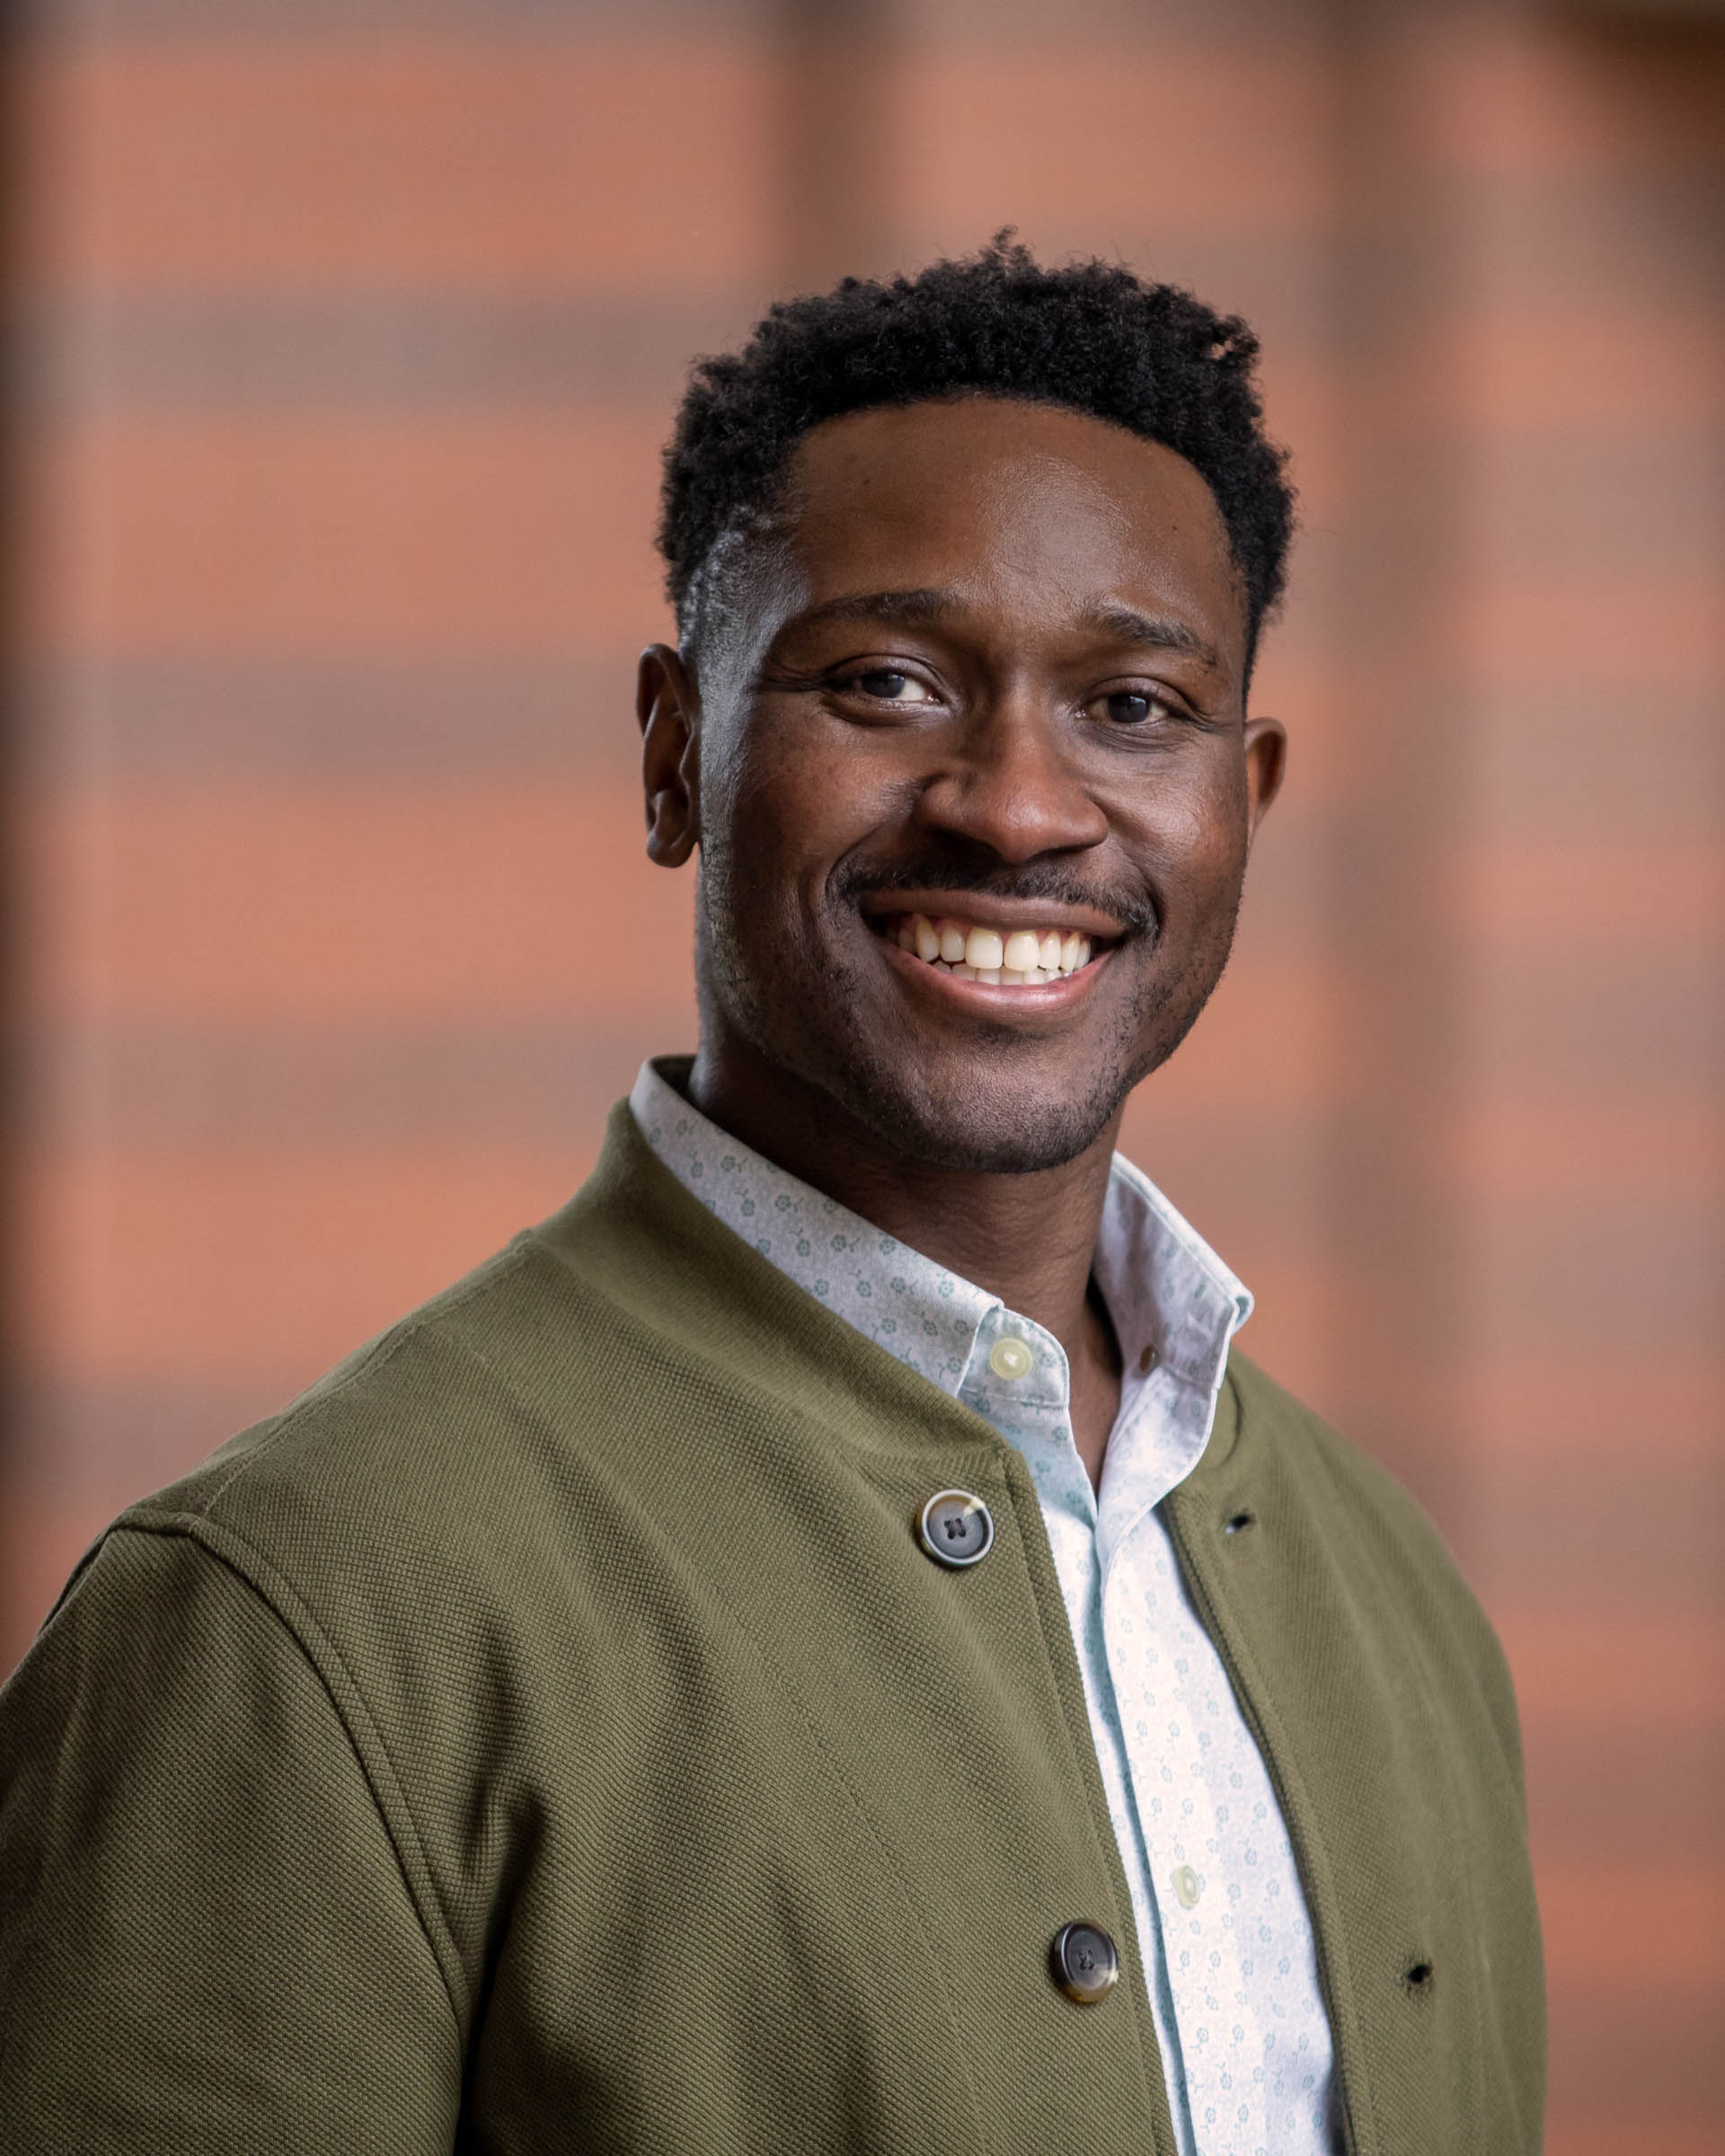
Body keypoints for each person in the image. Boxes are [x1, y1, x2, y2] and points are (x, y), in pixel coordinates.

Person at [0, 239, 1544, 2154]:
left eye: (1136, 708)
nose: (1015, 804)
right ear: (674, 754)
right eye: (888, 682)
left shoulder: (1399, 1607)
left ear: (1251, 799)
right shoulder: (300, 1620)